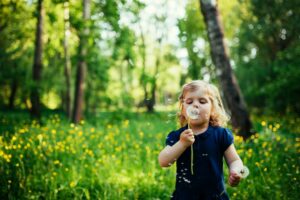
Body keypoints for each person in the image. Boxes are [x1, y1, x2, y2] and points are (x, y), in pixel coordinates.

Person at [158, 80, 245, 200]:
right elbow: (163, 161)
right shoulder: (178, 136)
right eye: (189, 102)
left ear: (212, 109)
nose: (195, 105)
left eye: (202, 101)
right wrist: (182, 144)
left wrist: (236, 171)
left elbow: (234, 160)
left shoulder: (220, 134)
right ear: (183, 109)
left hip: (215, 196)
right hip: (185, 197)